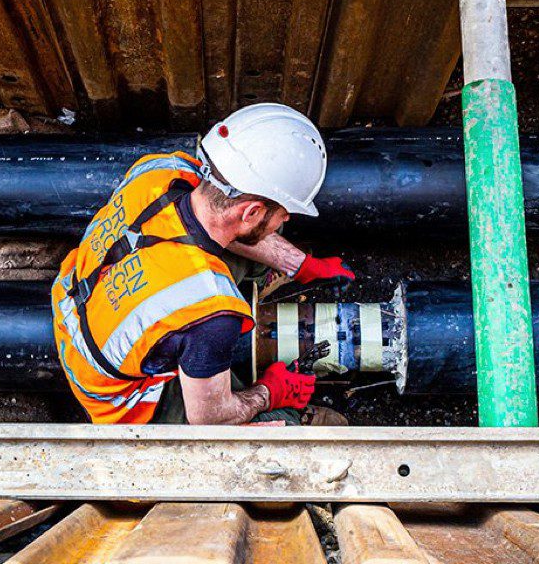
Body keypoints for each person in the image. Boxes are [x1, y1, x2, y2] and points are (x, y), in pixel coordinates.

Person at [51, 103, 355, 425]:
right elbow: (210, 421)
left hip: (79, 297)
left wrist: (300, 265)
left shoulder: (162, 170)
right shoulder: (207, 312)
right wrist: (270, 392)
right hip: (117, 396)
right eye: (284, 211)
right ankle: (292, 418)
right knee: (277, 428)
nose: (288, 218)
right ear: (250, 212)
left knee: (250, 235)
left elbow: (219, 220)